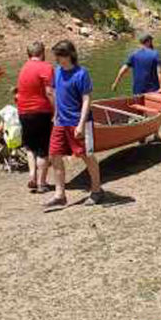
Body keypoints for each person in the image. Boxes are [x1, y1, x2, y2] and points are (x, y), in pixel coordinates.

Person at [44, 39, 103, 210]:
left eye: (59, 56)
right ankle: (60, 195)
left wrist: (81, 124)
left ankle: (97, 190)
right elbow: (56, 94)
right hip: (60, 122)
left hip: (78, 122)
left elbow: (86, 100)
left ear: (69, 55)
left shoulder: (82, 73)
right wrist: (55, 114)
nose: (57, 59)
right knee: (54, 155)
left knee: (87, 156)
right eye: (56, 56)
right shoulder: (57, 72)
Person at [111, 33, 161, 142]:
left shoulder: (134, 55)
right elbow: (159, 72)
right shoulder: (155, 54)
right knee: (156, 112)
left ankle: (142, 137)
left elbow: (123, 70)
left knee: (139, 112)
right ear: (149, 42)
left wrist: (116, 82)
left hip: (138, 89)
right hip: (153, 89)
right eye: (151, 41)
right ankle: (156, 135)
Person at [16, 41, 55, 192]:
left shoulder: (24, 67)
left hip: (23, 112)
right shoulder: (46, 67)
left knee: (30, 146)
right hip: (41, 111)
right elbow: (49, 92)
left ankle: (32, 174)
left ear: (28, 54)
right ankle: (41, 183)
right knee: (43, 149)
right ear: (43, 53)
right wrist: (56, 110)